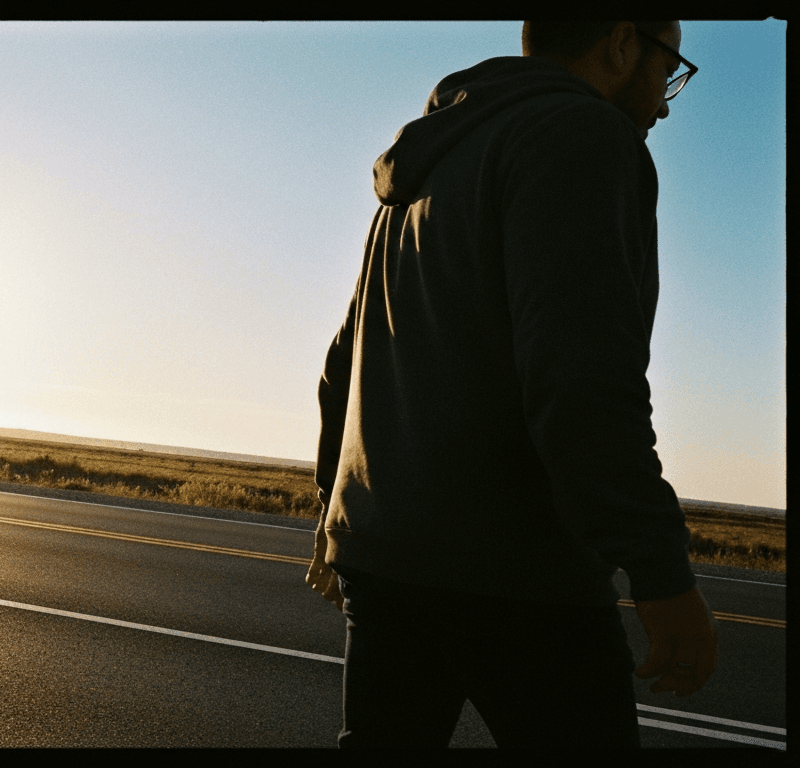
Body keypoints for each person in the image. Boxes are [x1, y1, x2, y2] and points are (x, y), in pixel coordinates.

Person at [304, 21, 719, 748]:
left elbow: (346, 360)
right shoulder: (583, 135)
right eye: (669, 67)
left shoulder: (424, 165)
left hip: (387, 560)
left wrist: (339, 513)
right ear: (622, 45)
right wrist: (661, 574)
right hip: (518, 572)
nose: (665, 102)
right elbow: (583, 382)